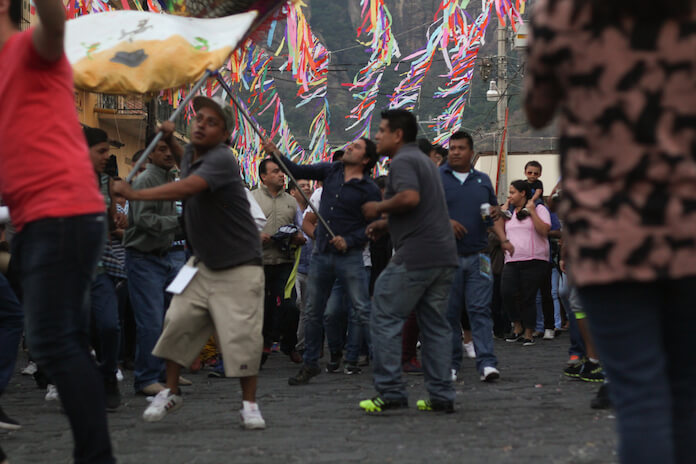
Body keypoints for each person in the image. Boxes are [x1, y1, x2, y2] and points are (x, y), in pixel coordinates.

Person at [525, 1, 696, 462]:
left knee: (638, 392)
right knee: (686, 389)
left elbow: (538, 109)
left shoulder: (565, 15)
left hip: (609, 236)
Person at [0, 0, 116, 460]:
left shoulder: (34, 47)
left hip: (63, 213)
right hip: (32, 221)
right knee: (53, 339)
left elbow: (54, 18)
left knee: (53, 341)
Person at [113, 95, 266, 429]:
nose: (200, 123)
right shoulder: (194, 158)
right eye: (198, 117)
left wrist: (134, 194)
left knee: (242, 336)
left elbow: (188, 187)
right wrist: (168, 137)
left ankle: (249, 404)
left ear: (225, 134)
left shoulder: (223, 159)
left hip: (240, 265)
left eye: (211, 122)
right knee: (177, 322)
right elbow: (185, 166)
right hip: (201, 264)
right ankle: (169, 392)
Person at [360, 109, 458, 413]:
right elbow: (423, 210)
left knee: (384, 312)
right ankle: (441, 395)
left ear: (398, 135)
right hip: (443, 255)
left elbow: (410, 199)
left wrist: (378, 207)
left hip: (417, 254)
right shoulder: (425, 162)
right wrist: (386, 225)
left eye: (381, 130)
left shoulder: (402, 160)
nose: (377, 136)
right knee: (435, 326)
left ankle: (390, 390)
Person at [262, 137, 381, 384]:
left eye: (356, 147)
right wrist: (276, 154)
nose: (349, 147)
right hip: (323, 254)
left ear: (366, 159)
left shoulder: (369, 189)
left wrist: (350, 240)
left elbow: (374, 226)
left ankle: (380, 362)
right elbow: (296, 170)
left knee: (361, 309)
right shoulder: (332, 170)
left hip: (350, 257)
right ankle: (311, 363)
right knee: (314, 312)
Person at [440, 131, 513, 383]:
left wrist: (503, 238)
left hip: (479, 256)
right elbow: (425, 212)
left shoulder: (482, 181)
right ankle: (450, 364)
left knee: (480, 309)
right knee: (449, 313)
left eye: (460, 148)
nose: (455, 152)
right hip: (447, 258)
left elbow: (491, 214)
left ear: (471, 152)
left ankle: (487, 364)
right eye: (452, 148)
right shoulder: (438, 178)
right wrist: (446, 222)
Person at [123, 135, 186, 396]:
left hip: (166, 256)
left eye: (171, 149)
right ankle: (146, 378)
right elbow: (142, 219)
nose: (169, 154)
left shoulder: (168, 178)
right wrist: (178, 221)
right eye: (162, 149)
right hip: (143, 258)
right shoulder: (147, 180)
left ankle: (162, 373)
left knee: (167, 319)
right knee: (150, 321)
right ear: (150, 154)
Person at [84, 126, 123, 411]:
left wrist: (116, 223)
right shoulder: (65, 182)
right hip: (72, 272)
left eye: (108, 150)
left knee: (109, 325)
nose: (106, 156)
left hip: (101, 268)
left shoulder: (107, 182)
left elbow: (111, 223)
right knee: (78, 332)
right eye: (101, 151)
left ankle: (109, 376)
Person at [252, 159, 305, 364]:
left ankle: (289, 345)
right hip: (259, 263)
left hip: (285, 262)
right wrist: (255, 236)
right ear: (263, 177)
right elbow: (239, 228)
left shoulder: (291, 202)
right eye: (275, 172)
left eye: (282, 172)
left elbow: (302, 230)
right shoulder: (251, 198)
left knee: (291, 305)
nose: (281, 175)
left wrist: (300, 238)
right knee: (262, 306)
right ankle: (264, 345)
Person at [501, 180, 551, 346]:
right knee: (506, 292)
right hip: (511, 259)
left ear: (523, 193)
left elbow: (544, 231)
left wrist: (531, 211)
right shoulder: (510, 213)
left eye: (513, 192)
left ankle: (529, 332)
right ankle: (517, 325)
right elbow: (498, 231)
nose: (510, 195)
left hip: (534, 259)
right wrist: (502, 211)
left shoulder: (539, 209)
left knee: (528, 296)